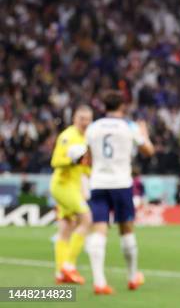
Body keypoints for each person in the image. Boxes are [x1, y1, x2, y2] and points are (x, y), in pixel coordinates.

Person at [85, 90, 155, 295]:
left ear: (103, 107)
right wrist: (144, 134)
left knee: (99, 230)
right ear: (123, 106)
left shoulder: (93, 127)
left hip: (98, 182)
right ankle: (133, 277)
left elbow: (87, 159)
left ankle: (99, 282)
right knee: (126, 229)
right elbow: (149, 151)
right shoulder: (129, 126)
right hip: (121, 183)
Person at [49, 105, 93, 285]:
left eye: (89, 119)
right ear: (75, 119)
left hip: (74, 186)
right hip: (63, 185)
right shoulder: (68, 136)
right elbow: (55, 161)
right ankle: (69, 265)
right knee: (86, 219)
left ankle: (60, 273)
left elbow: (85, 166)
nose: (86, 122)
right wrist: (71, 160)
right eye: (82, 119)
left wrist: (89, 179)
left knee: (67, 226)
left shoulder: (86, 138)